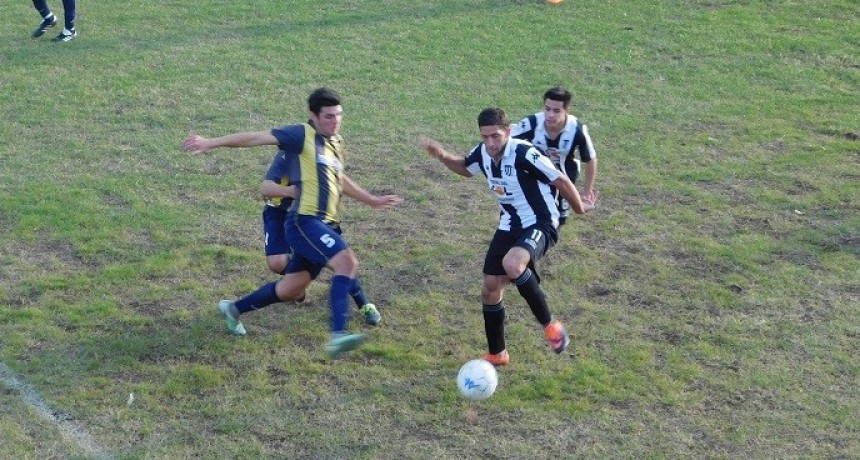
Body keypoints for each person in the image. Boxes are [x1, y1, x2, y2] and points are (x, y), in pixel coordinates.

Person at [182, 87, 403, 358]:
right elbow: (255, 137)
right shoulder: (300, 135)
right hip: (304, 221)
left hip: (326, 223)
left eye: (339, 116)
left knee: (290, 290)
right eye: (329, 117)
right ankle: (337, 335)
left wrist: (371, 200)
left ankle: (234, 309)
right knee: (347, 262)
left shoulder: (336, 143)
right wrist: (210, 142)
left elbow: (339, 179)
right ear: (313, 115)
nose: (336, 122)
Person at [420, 108, 585, 366]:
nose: (490, 143)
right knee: (490, 287)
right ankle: (498, 354)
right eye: (485, 137)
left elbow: (561, 181)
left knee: (512, 264)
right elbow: (465, 167)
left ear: (507, 131)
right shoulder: (484, 153)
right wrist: (442, 156)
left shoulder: (523, 153)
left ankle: (552, 326)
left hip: (540, 222)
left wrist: (580, 208)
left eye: (495, 136)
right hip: (509, 225)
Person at [511, 86, 599, 223]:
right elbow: (506, 142)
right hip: (537, 177)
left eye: (556, 111)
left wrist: (587, 191)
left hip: (565, 180)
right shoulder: (532, 123)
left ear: (566, 111)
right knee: (532, 216)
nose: (550, 114)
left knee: (557, 221)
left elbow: (590, 159)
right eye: (547, 109)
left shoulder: (577, 130)